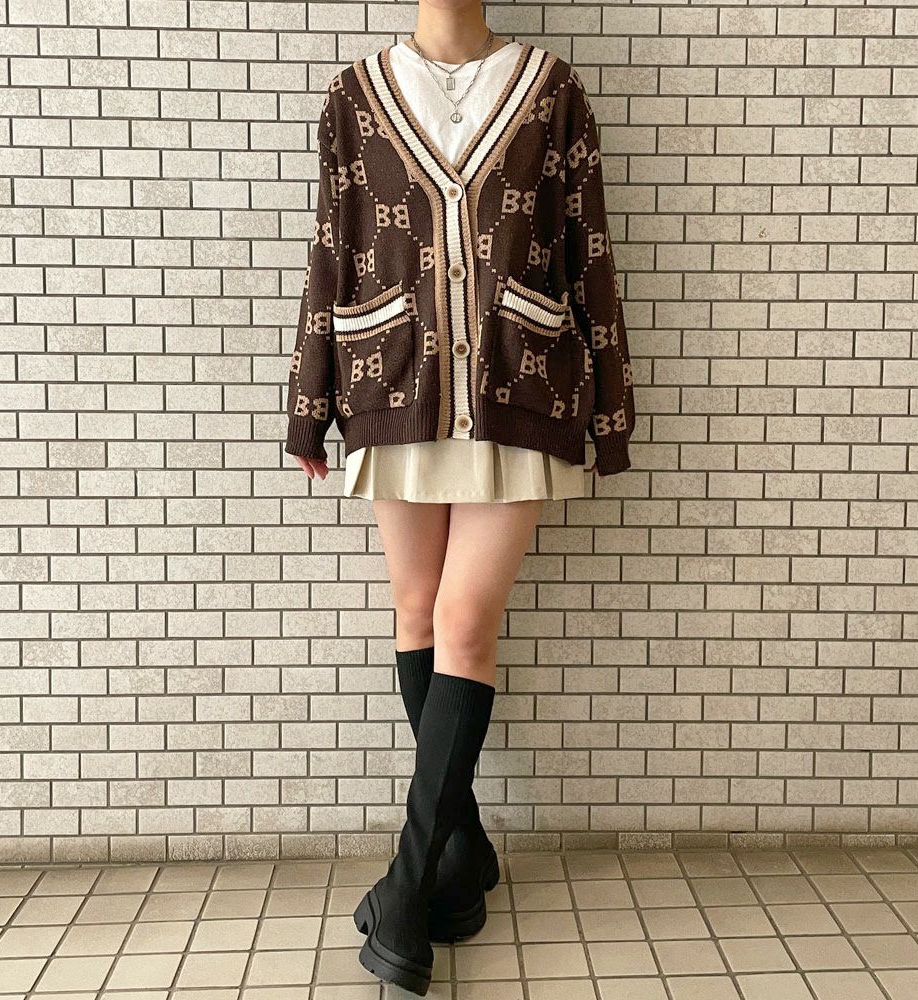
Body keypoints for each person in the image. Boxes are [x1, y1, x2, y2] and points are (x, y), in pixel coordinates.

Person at [284, 1, 635, 994]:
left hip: (523, 385)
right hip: (390, 377)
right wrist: (310, 406)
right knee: (414, 612)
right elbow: (331, 251)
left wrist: (611, 409)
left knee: (463, 621)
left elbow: (588, 251)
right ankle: (461, 849)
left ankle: (404, 887)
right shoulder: (354, 97)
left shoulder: (553, 90)